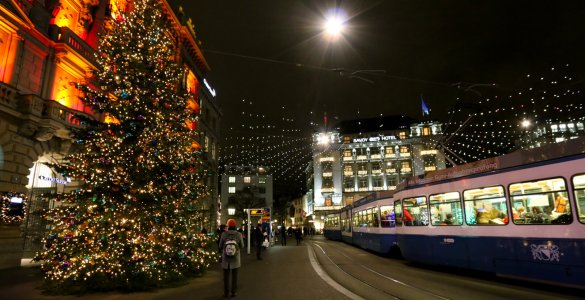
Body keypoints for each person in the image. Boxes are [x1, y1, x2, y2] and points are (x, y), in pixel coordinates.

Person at [219, 219, 244, 298]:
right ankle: (233, 292)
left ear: (228, 226)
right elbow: (242, 246)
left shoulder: (223, 234)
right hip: (235, 258)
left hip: (226, 259)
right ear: (235, 225)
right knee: (234, 276)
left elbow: (220, 246)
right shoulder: (239, 234)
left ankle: (226, 292)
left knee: (226, 277)